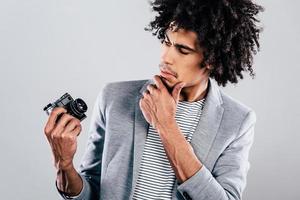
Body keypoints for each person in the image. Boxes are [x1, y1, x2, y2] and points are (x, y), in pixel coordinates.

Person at [44, 0, 263, 199]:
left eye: (183, 50)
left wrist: (166, 126)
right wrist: (64, 165)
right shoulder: (114, 97)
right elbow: (91, 190)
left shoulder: (237, 121)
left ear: (212, 60)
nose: (166, 57)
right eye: (167, 42)